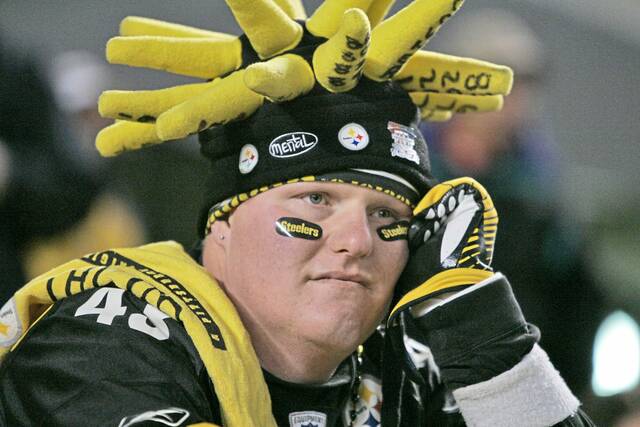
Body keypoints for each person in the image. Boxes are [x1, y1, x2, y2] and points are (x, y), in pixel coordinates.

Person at [0, 1, 596, 425]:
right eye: (316, 200)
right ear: (222, 226)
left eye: (389, 215)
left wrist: (485, 336)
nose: (356, 241)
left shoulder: (408, 366)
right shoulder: (103, 339)